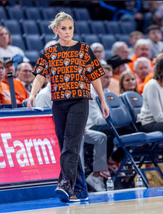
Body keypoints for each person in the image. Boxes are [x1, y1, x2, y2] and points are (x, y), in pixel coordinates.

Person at [27, 12, 109, 203]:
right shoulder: (49, 52)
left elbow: (95, 76)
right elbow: (39, 75)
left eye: (70, 28)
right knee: (66, 146)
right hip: (58, 103)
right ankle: (80, 189)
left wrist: (103, 101)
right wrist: (33, 94)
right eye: (63, 28)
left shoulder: (84, 49)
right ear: (56, 30)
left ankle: (65, 182)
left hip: (80, 100)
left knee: (71, 143)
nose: (67, 31)